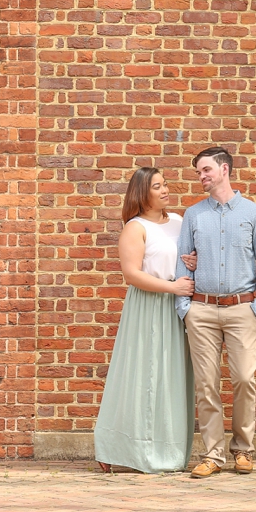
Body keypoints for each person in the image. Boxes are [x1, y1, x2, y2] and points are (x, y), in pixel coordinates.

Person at [174, 146, 256, 479]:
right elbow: (181, 261)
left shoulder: (253, 213)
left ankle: (243, 450)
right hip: (201, 310)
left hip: (241, 308)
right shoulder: (193, 215)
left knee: (245, 378)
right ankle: (213, 455)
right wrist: (184, 308)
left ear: (224, 169)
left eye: (205, 170)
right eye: (198, 172)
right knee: (206, 385)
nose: (201, 177)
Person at [93, 166, 196, 474]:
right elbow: (132, 273)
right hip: (150, 306)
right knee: (144, 376)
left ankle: (170, 451)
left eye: (165, 184)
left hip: (177, 306)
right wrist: (172, 286)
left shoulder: (180, 221)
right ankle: (121, 449)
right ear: (142, 193)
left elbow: (187, 259)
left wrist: (191, 263)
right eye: (157, 186)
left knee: (173, 378)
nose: (165, 190)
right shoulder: (135, 228)